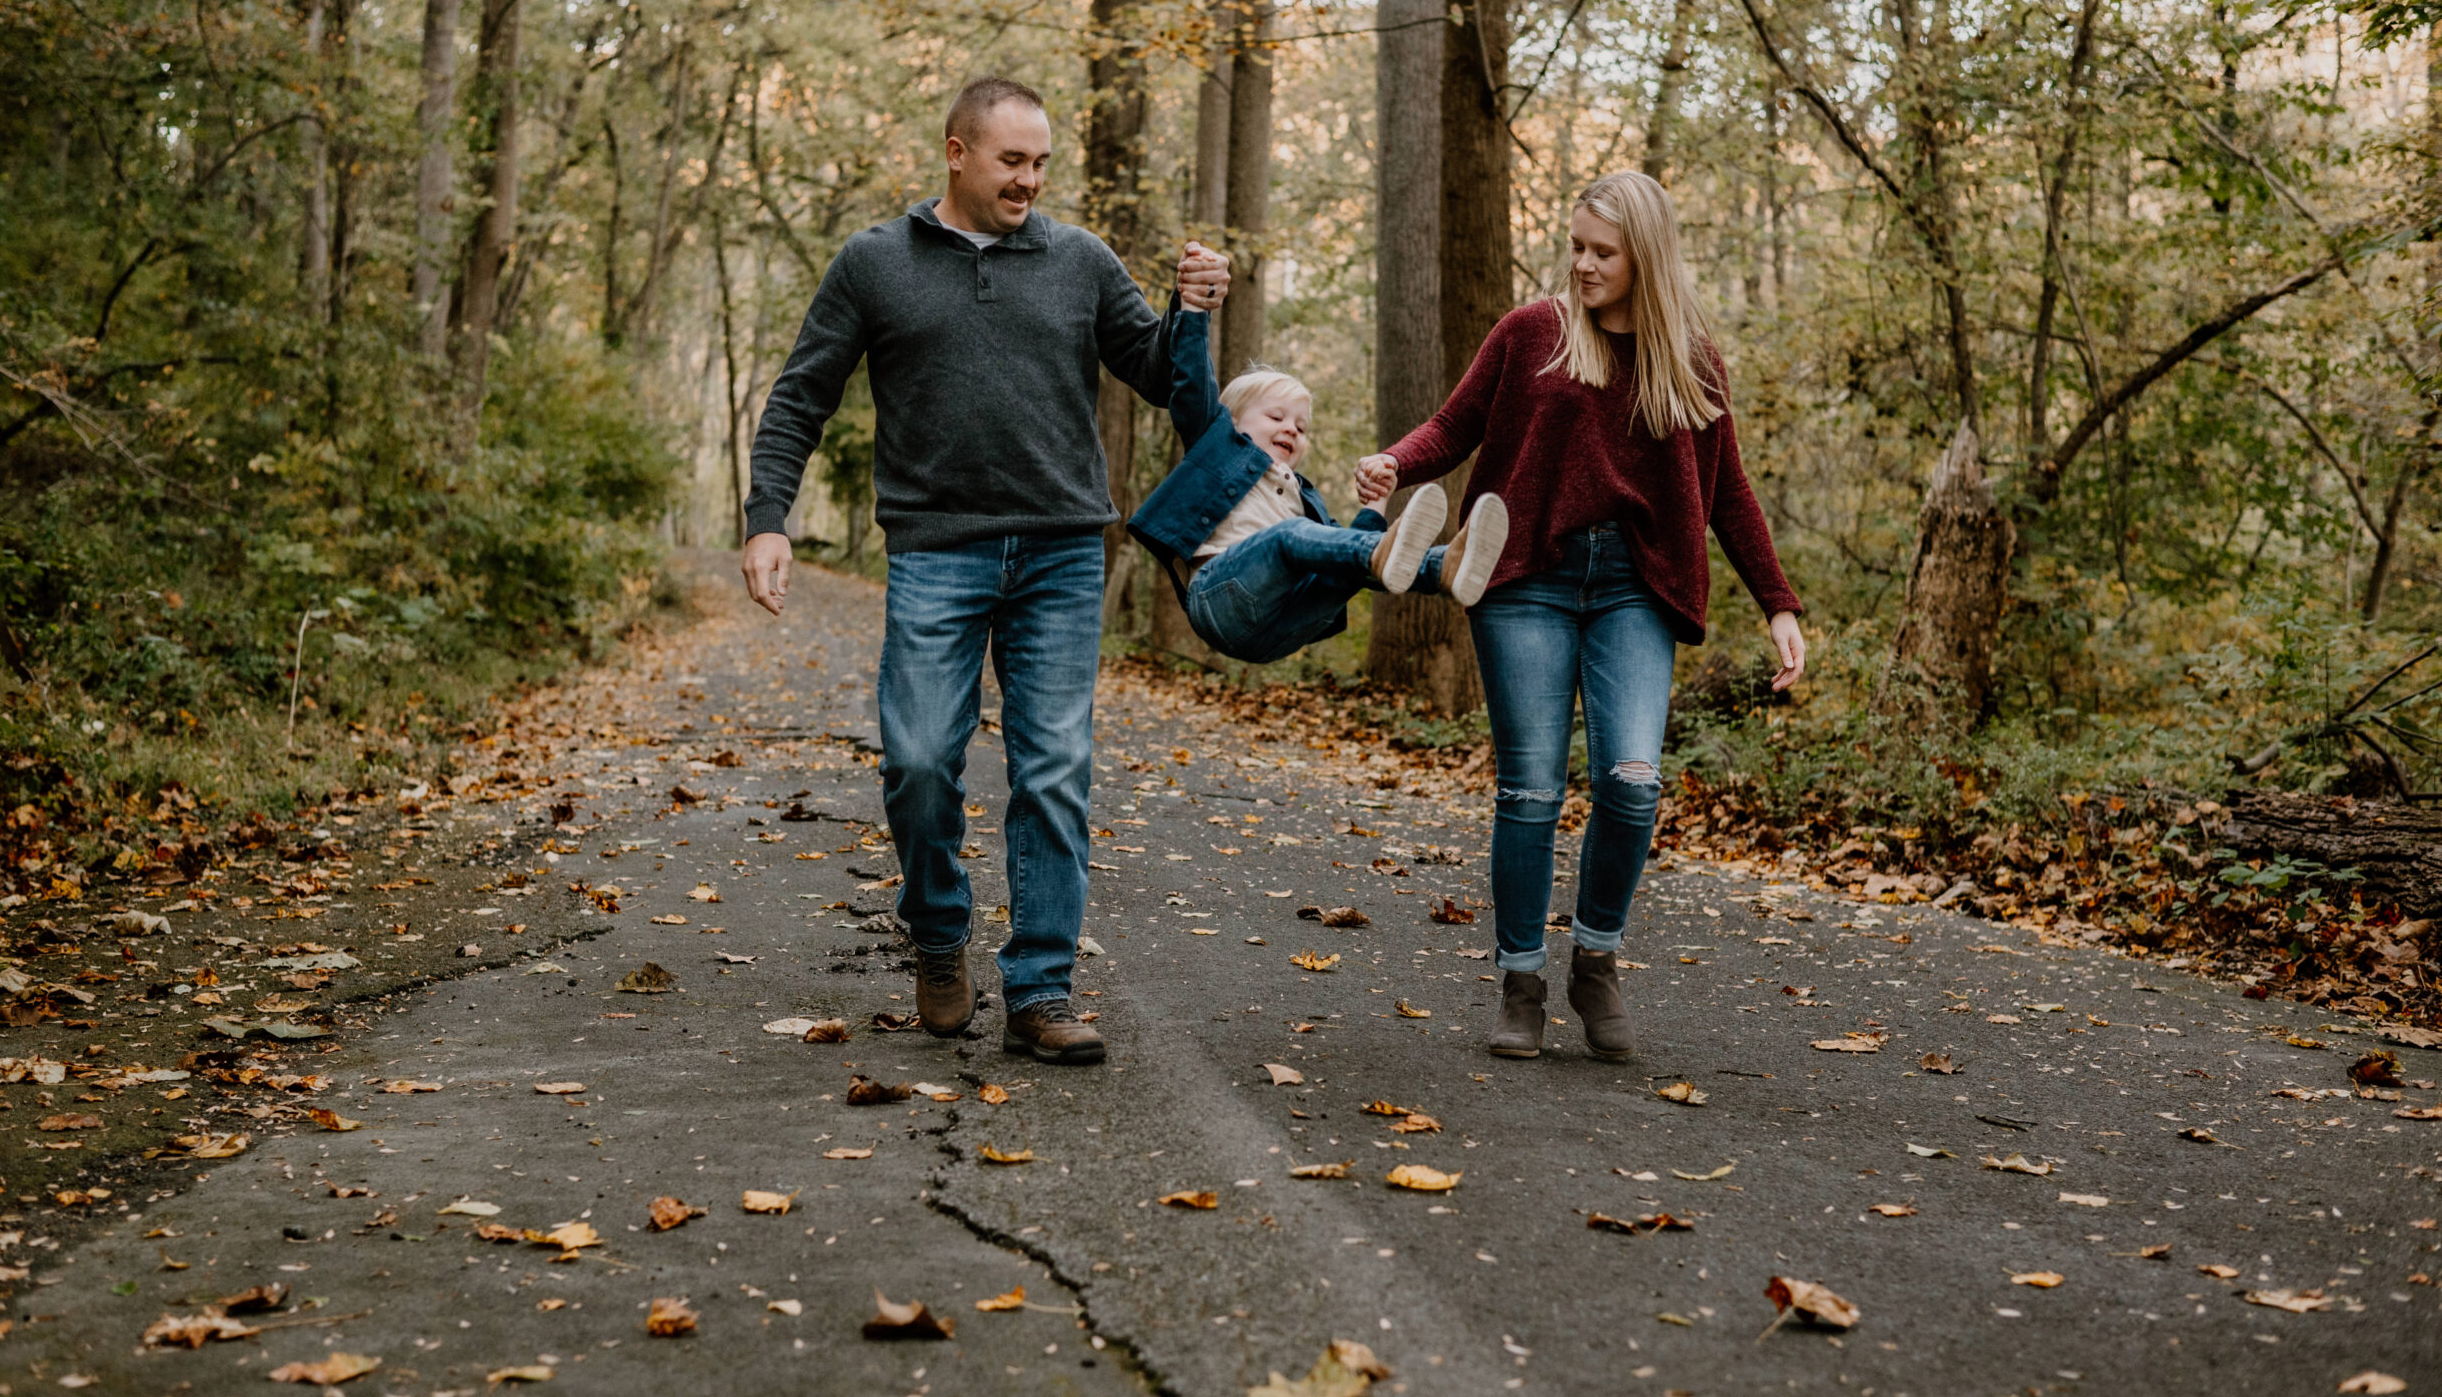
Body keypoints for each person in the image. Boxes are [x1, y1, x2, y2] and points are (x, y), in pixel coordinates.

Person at [740, 75, 1230, 1067]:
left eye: (1041, 162)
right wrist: (767, 520)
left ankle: (1041, 989)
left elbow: (1167, 384)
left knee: (1052, 767)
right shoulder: (875, 264)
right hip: (935, 547)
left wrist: (1191, 314)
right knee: (918, 759)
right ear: (956, 152)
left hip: (1060, 546)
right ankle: (936, 931)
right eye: (1012, 160)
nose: (1029, 180)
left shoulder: (1079, 259)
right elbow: (800, 397)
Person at [1356, 170, 1805, 1062]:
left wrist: (1779, 605)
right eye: (1577, 247)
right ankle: (1521, 981)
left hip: (1637, 584)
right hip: (1526, 573)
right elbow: (1457, 426)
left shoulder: (1692, 359)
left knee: (1633, 783)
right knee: (1530, 788)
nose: (1584, 264)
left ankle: (1593, 961)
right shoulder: (1532, 334)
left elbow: (1729, 493)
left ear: (1646, 256)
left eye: (1603, 252)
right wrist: (1393, 463)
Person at [1126, 310, 1509, 663]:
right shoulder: (1217, 451)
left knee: (1341, 565)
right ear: (1233, 421)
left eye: (1301, 427)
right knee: (1293, 537)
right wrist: (1194, 311)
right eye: (1276, 416)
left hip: (1277, 632)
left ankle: (1446, 570)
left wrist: (1377, 503)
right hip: (1220, 600)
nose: (1291, 428)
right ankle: (1411, 559)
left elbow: (1351, 561)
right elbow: (1192, 380)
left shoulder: (1303, 500)